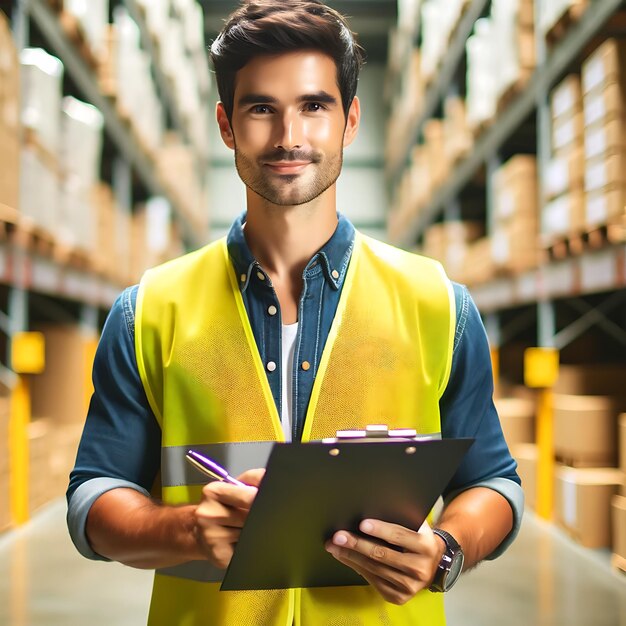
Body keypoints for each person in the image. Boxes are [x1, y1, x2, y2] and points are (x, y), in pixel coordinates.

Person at [67, 1, 523, 624]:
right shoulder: (148, 311)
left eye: (314, 106)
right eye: (261, 109)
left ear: (350, 120)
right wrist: (186, 531)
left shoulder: (438, 304)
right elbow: (94, 496)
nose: (289, 136)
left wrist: (446, 550)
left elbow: (492, 483)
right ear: (226, 125)